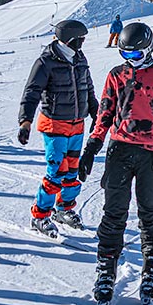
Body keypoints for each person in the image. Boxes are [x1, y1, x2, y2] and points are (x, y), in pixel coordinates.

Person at [79, 22, 153, 304]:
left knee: (150, 212)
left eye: (135, 55)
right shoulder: (117, 75)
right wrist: (92, 147)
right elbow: (104, 113)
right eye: (125, 55)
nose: (130, 61)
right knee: (113, 212)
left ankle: (151, 268)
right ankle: (106, 268)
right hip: (120, 150)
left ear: (148, 49)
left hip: (150, 151)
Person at [18, 20, 98, 235]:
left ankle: (64, 209)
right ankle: (40, 215)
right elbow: (32, 92)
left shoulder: (80, 58)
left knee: (72, 170)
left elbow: (88, 88)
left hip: (77, 124)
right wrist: (25, 121)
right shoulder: (46, 62)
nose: (83, 42)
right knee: (56, 171)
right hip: (54, 123)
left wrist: (95, 112)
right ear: (70, 39)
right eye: (80, 39)